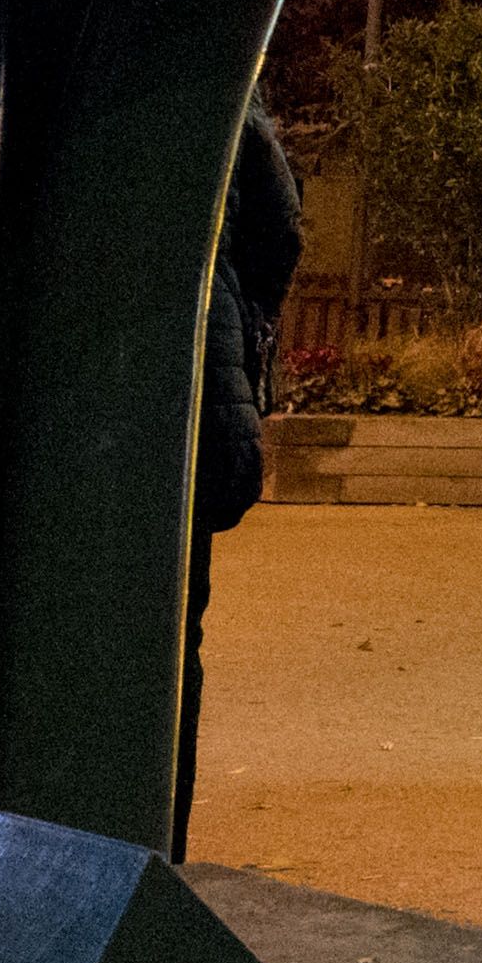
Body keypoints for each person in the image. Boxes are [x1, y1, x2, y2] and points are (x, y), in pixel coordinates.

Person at [177, 103, 300, 860]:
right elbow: (277, 240)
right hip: (197, 417)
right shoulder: (231, 112)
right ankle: (161, 839)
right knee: (172, 639)